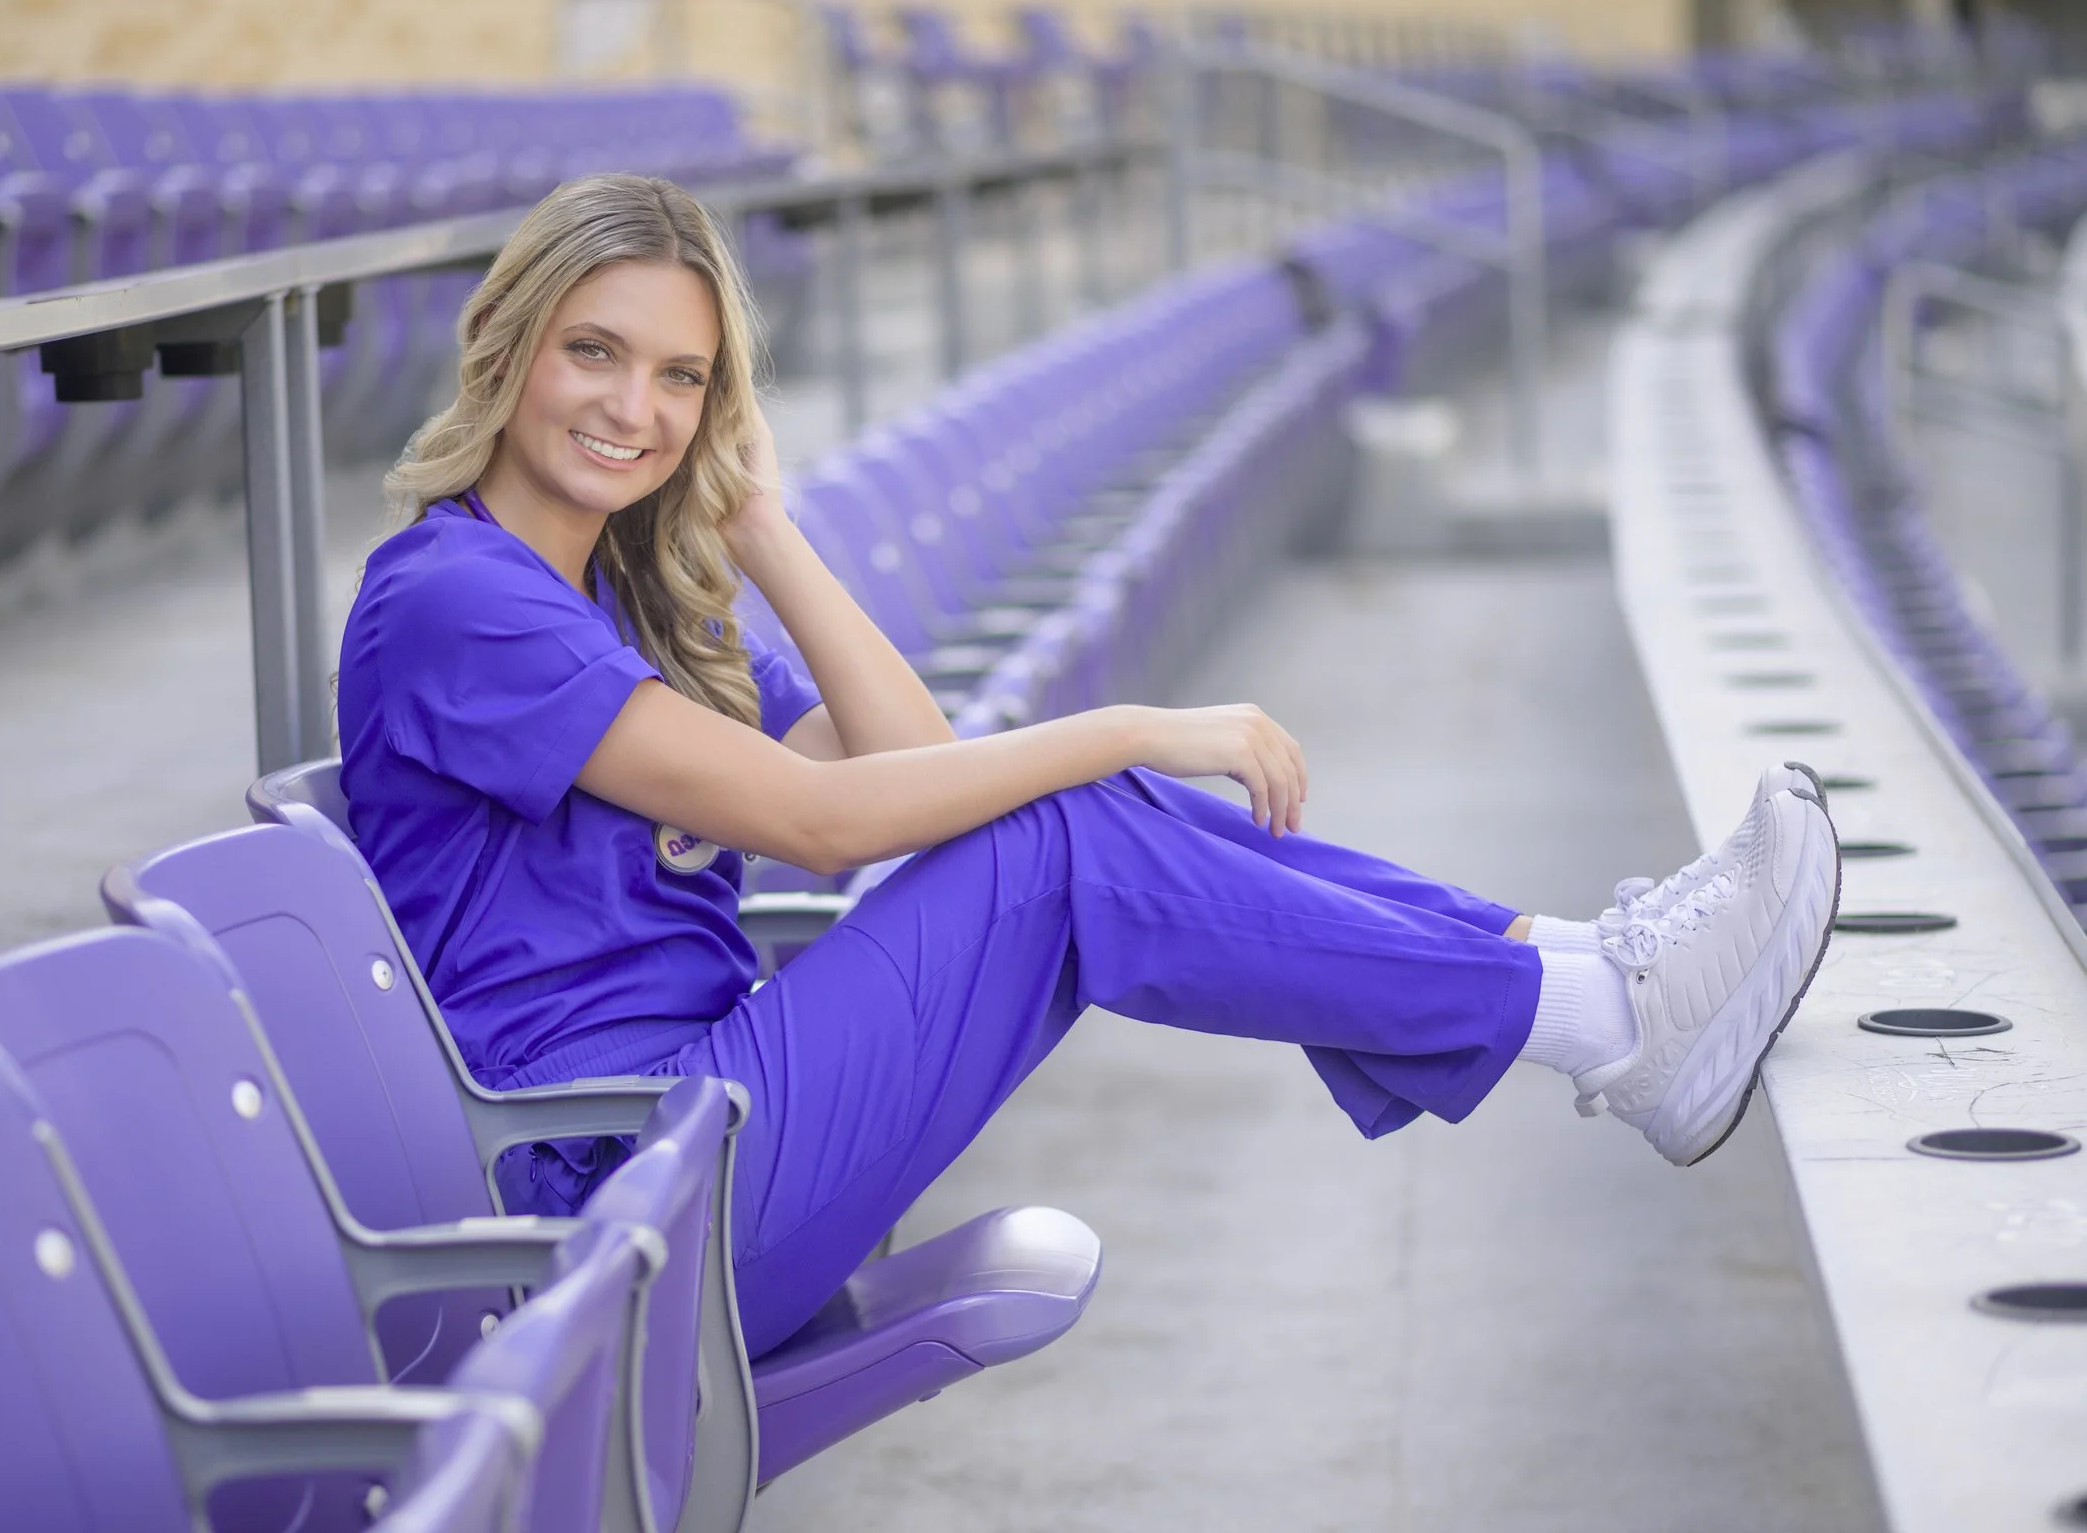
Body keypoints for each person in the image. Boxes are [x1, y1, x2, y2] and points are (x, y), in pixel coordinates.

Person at [334, 175, 1842, 1359]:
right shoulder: (455, 598)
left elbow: (909, 765)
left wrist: (760, 527)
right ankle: (1600, 1010)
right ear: (505, 342)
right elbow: (817, 820)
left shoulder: (616, 595)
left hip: (704, 1135)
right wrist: (1132, 725)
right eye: (595, 352)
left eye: (681, 377)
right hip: (609, 1190)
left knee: (1061, 819)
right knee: (1069, 826)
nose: (635, 410)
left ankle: (1575, 976)